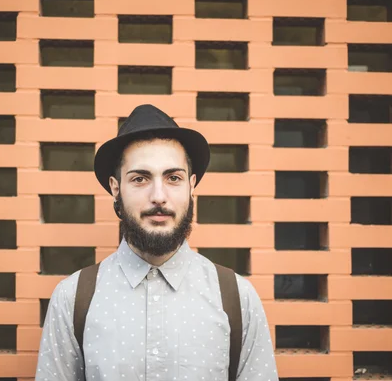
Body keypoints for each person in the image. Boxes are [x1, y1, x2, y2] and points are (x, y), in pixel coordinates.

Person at [35, 104, 278, 380]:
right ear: (116, 189)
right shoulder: (72, 300)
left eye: (173, 178)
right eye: (140, 179)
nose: (159, 196)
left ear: (192, 185)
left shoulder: (238, 299)